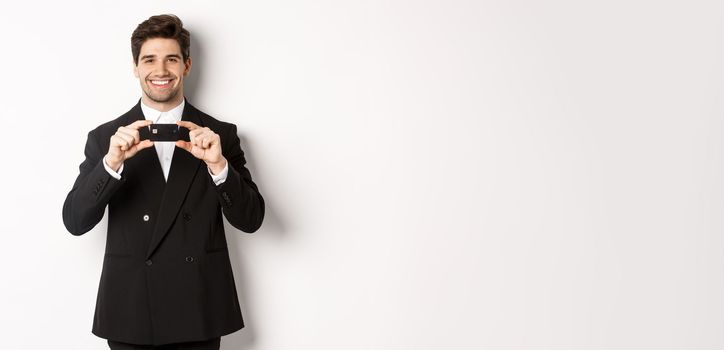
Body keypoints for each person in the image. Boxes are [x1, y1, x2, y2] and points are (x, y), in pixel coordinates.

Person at [62, 14, 265, 350]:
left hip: (198, 309)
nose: (160, 70)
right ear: (135, 67)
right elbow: (75, 221)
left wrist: (218, 166)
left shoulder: (221, 135)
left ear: (186, 65)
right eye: (149, 59)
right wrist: (111, 164)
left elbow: (251, 220)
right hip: (131, 312)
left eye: (171, 59)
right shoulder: (104, 139)